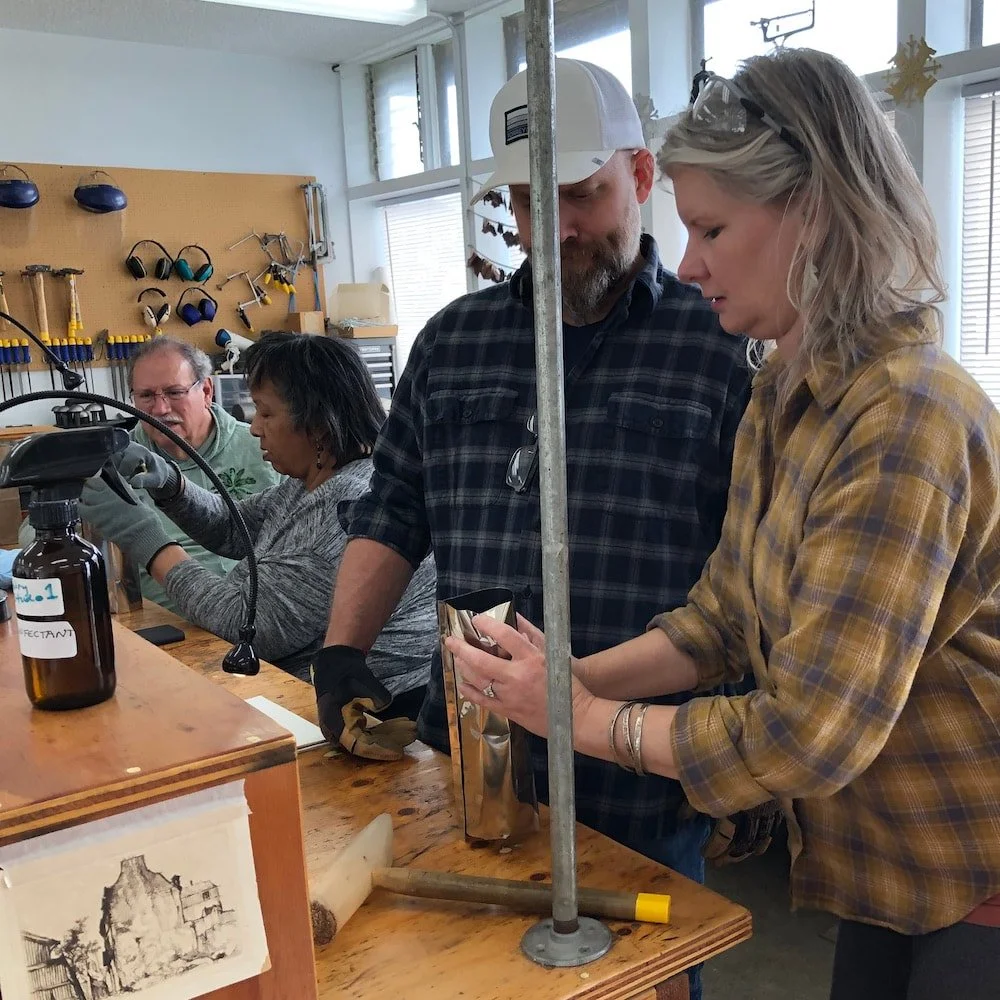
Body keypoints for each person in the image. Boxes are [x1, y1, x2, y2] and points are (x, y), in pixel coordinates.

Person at [445, 48, 1000, 1000]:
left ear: (816, 215)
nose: (691, 262)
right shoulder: (786, 387)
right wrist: (565, 678)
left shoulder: (909, 414)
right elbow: (722, 619)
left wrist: (581, 719)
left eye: (711, 228)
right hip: (890, 869)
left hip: (977, 860)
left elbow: (806, 736)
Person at [314, 58, 755, 998]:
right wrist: (341, 651)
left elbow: (753, 580)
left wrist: (748, 768)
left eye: (581, 195)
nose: (553, 228)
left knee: (639, 982)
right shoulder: (451, 342)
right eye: (525, 199)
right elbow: (392, 510)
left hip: (637, 770)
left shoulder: (722, 346)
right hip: (469, 756)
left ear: (641, 178)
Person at [80, 332, 437, 705]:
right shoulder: (318, 480)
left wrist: (146, 539)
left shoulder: (344, 504)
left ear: (317, 423)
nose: (254, 427)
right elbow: (236, 528)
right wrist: (170, 484)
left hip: (366, 711)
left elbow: (245, 624)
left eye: (266, 413)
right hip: (300, 692)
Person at [17, 337, 282, 613]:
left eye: (174, 392)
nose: (160, 409)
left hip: (256, 619)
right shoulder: (117, 460)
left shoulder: (267, 449)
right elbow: (33, 536)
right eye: (146, 396)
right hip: (167, 628)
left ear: (206, 391)